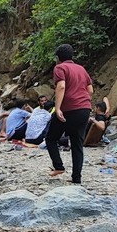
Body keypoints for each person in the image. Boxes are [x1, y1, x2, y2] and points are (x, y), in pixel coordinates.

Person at [45, 44, 93, 184]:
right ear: (72, 56)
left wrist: (58, 108)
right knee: (77, 143)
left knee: (51, 138)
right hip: (84, 109)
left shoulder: (60, 68)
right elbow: (90, 90)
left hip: (68, 109)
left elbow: (61, 86)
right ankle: (76, 178)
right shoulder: (81, 69)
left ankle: (59, 166)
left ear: (58, 58)